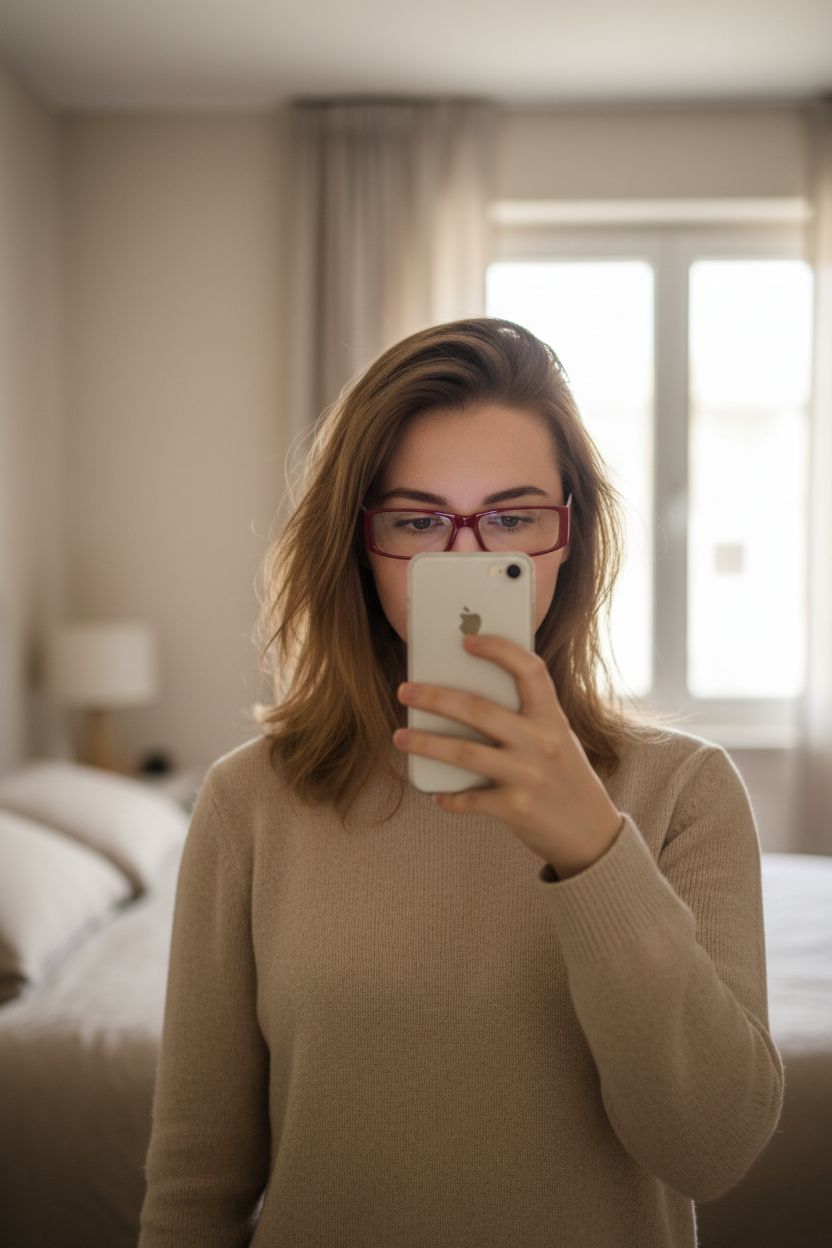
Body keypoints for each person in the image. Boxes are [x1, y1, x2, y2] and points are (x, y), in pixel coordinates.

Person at [138, 318, 784, 1248]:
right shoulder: (251, 802)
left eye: (513, 518)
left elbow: (712, 1148)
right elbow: (195, 1184)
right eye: (418, 520)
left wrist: (594, 849)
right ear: (362, 546)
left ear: (569, 543)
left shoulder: (685, 791)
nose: (466, 562)